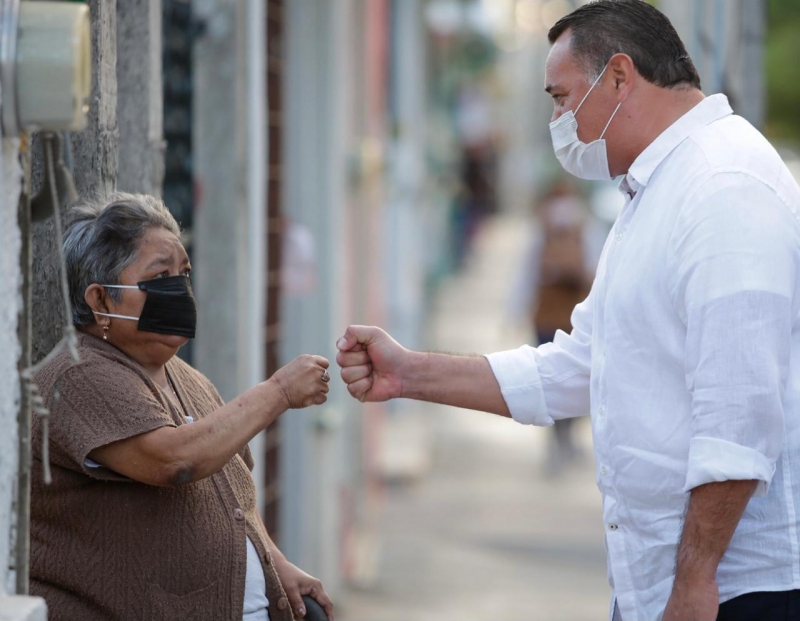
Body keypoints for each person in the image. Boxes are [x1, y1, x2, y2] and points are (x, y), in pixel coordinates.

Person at [337, 1, 800, 620]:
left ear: (618, 76)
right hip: (659, 581)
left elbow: (739, 417)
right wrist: (409, 373)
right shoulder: (655, 191)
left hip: (737, 592)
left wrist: (694, 583)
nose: (558, 120)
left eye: (560, 98)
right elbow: (580, 366)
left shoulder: (723, 187)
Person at [31, 193, 334, 621]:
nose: (179, 289)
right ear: (101, 302)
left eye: (184, 274)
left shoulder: (186, 377)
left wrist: (275, 563)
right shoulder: (77, 376)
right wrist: (280, 391)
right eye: (160, 277)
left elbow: (235, 498)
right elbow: (175, 459)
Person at [509, 182, 600, 475]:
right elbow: (599, 273)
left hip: (548, 317)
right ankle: (564, 437)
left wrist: (515, 312)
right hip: (574, 318)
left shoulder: (542, 232)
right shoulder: (586, 228)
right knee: (574, 379)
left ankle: (558, 439)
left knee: (551, 377)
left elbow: (526, 275)